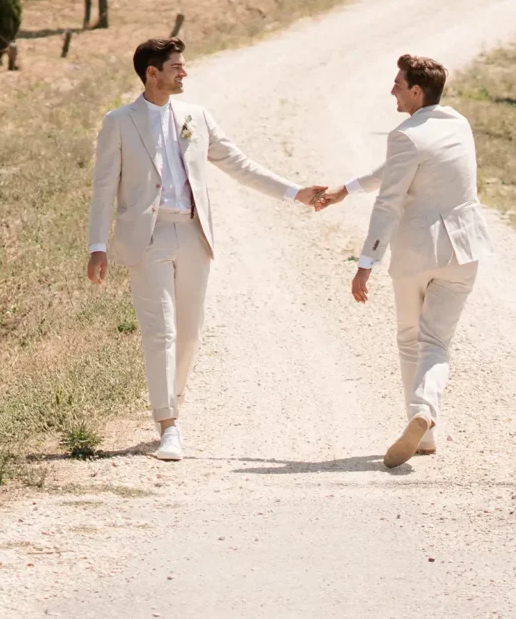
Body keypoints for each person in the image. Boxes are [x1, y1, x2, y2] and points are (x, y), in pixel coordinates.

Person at [87, 35, 325, 461]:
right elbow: (104, 187)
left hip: (194, 235)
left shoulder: (195, 116)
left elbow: (239, 164)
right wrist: (97, 245)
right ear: (152, 73)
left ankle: (172, 402)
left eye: (183, 65)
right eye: (176, 66)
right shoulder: (119, 122)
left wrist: (295, 193)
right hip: (148, 238)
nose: (185, 72)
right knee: (160, 331)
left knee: (190, 332)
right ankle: (168, 425)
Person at [316, 52, 491, 468]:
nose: (391, 90)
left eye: (397, 84)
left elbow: (389, 200)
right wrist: (347, 188)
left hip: (418, 251)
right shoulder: (458, 124)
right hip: (464, 250)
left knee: (411, 338)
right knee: (437, 342)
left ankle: (422, 423)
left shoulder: (405, 136)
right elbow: (401, 168)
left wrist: (366, 262)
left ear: (415, 91)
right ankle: (424, 417)